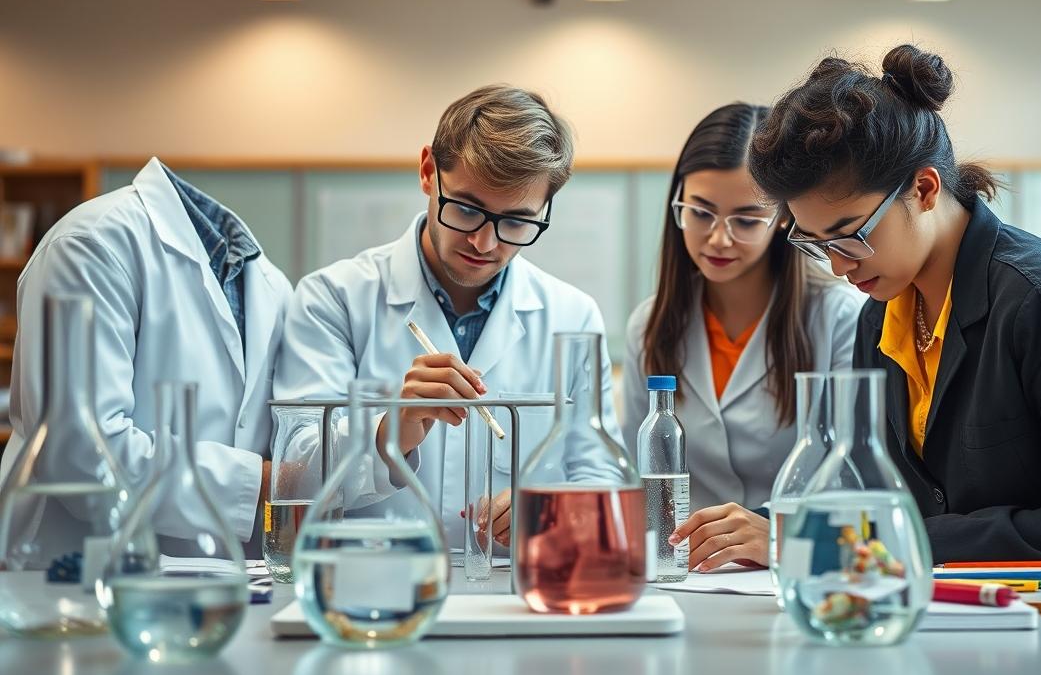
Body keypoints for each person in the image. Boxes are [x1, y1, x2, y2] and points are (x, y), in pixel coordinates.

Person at [748, 44, 1041, 570]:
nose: (837, 266)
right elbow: (873, 488)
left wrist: (900, 541)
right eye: (814, 243)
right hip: (950, 612)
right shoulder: (882, 309)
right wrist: (772, 525)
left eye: (848, 236)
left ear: (923, 189)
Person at [274, 84, 620, 550]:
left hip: (513, 595)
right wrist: (389, 431)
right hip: (370, 591)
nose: (485, 243)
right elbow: (292, 477)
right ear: (427, 172)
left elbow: (600, 477)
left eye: (516, 221)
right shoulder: (332, 299)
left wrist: (554, 511)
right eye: (467, 209)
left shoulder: (572, 316)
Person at [2, 158, 292, 557]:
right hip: (73, 577)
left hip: (221, 585)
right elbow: (81, 453)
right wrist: (265, 483)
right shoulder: (91, 243)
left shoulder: (271, 285)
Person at [622, 103, 862, 573]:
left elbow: (853, 475)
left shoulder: (839, 316)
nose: (718, 240)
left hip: (801, 569)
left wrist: (779, 532)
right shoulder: (647, 326)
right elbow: (634, 476)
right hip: (685, 574)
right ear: (678, 207)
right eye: (701, 213)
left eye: (746, 220)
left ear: (784, 220)